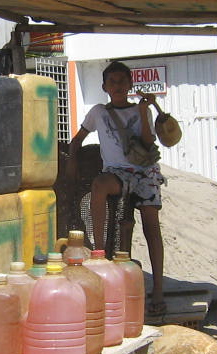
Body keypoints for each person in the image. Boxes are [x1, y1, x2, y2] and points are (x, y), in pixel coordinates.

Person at [65, 60, 166, 314]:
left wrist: (143, 112)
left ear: (131, 84)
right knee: (99, 184)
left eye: (122, 81)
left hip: (145, 173)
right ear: (104, 87)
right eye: (113, 82)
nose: (118, 86)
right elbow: (77, 139)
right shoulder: (98, 112)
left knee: (152, 226)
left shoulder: (141, 111)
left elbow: (147, 140)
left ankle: (159, 289)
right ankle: (100, 253)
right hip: (117, 174)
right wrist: (72, 163)